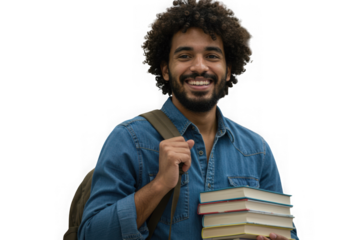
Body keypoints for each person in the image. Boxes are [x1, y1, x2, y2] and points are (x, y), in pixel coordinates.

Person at [77, 1, 299, 240]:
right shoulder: (129, 138)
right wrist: (159, 184)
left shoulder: (258, 150)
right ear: (165, 69)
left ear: (227, 71)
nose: (199, 66)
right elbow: (90, 235)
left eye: (212, 55)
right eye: (185, 55)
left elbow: (287, 232)